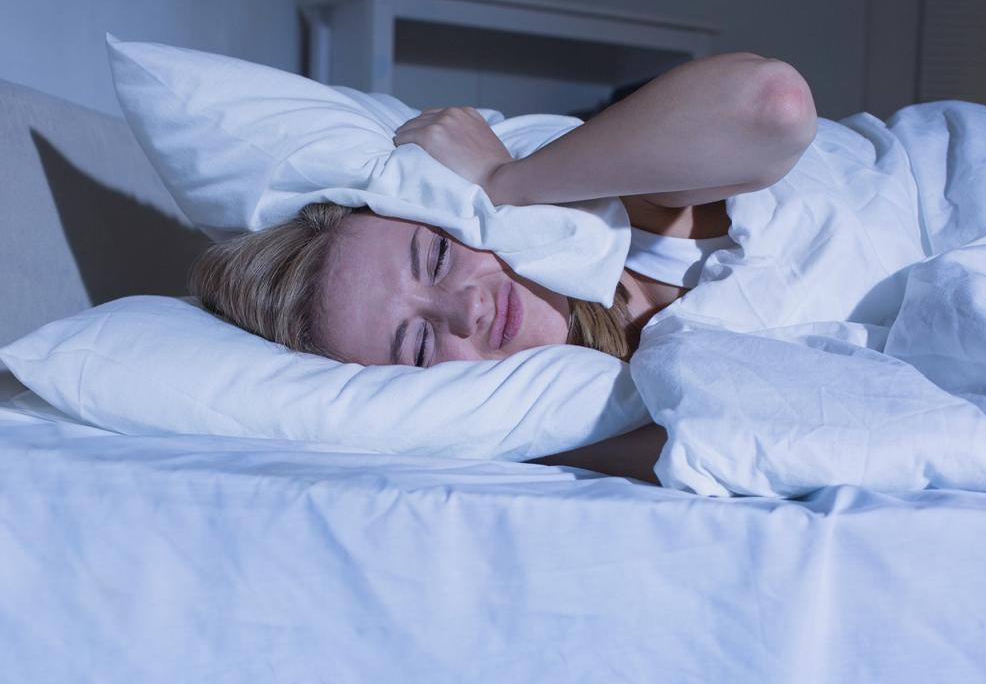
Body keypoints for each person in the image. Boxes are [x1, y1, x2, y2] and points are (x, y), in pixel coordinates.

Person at [188, 51, 821, 483]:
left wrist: (507, 177)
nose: (467, 309)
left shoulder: (619, 206)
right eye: (418, 346)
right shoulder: (575, 425)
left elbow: (774, 104)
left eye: (436, 256)